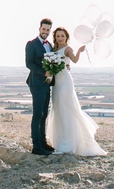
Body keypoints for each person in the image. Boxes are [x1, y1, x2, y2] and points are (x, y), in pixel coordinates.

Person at [45, 26, 106, 156]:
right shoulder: (53, 49)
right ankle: (60, 142)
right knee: (58, 110)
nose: (60, 38)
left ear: (66, 37)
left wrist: (79, 51)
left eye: (62, 36)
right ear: (55, 37)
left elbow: (74, 60)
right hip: (56, 83)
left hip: (65, 82)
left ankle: (68, 144)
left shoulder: (68, 49)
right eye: (57, 36)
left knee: (67, 109)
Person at [25, 18, 55, 155]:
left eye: (48, 30)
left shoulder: (49, 45)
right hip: (36, 83)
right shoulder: (31, 44)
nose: (45, 32)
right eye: (43, 29)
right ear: (39, 29)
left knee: (44, 114)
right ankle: (36, 146)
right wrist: (45, 72)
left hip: (47, 84)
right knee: (37, 115)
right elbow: (29, 64)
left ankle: (43, 143)